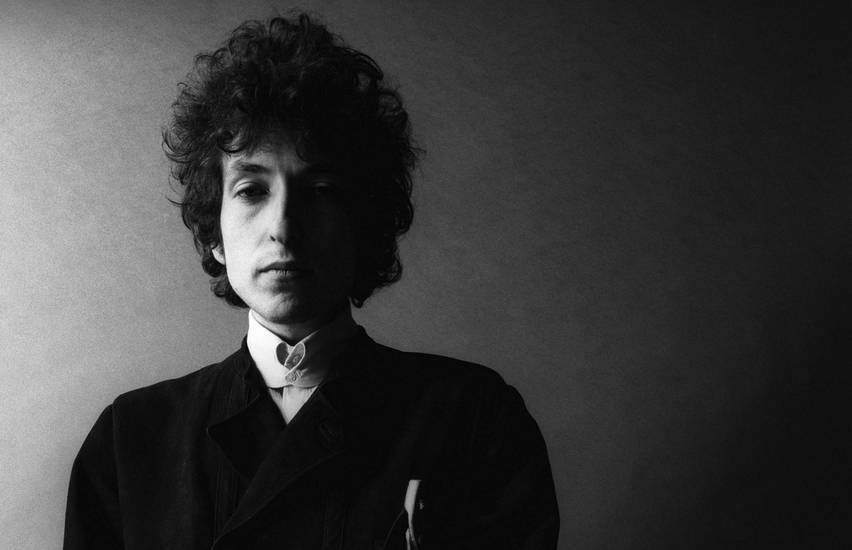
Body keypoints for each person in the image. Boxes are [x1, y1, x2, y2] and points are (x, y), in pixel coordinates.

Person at [64, 12, 558, 550]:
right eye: (251, 190)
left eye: (320, 189)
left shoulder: (474, 417)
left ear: (365, 222)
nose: (283, 227)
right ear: (214, 232)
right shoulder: (129, 438)